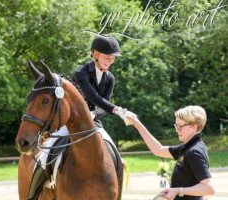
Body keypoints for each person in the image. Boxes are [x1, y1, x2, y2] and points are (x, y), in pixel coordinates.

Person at [27, 34, 131, 200]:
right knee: (44, 157)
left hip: (94, 124)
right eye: (107, 57)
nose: (110, 60)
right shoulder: (80, 73)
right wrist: (117, 110)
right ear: (95, 54)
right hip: (70, 123)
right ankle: (32, 196)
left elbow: (103, 104)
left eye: (112, 58)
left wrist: (94, 114)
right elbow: (93, 97)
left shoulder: (110, 77)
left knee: (115, 154)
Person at [127, 105, 215, 200]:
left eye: (180, 126)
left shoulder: (194, 151)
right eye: (176, 126)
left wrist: (178, 191)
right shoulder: (187, 147)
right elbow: (158, 149)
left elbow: (209, 188)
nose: (177, 130)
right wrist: (136, 123)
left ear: (194, 126)